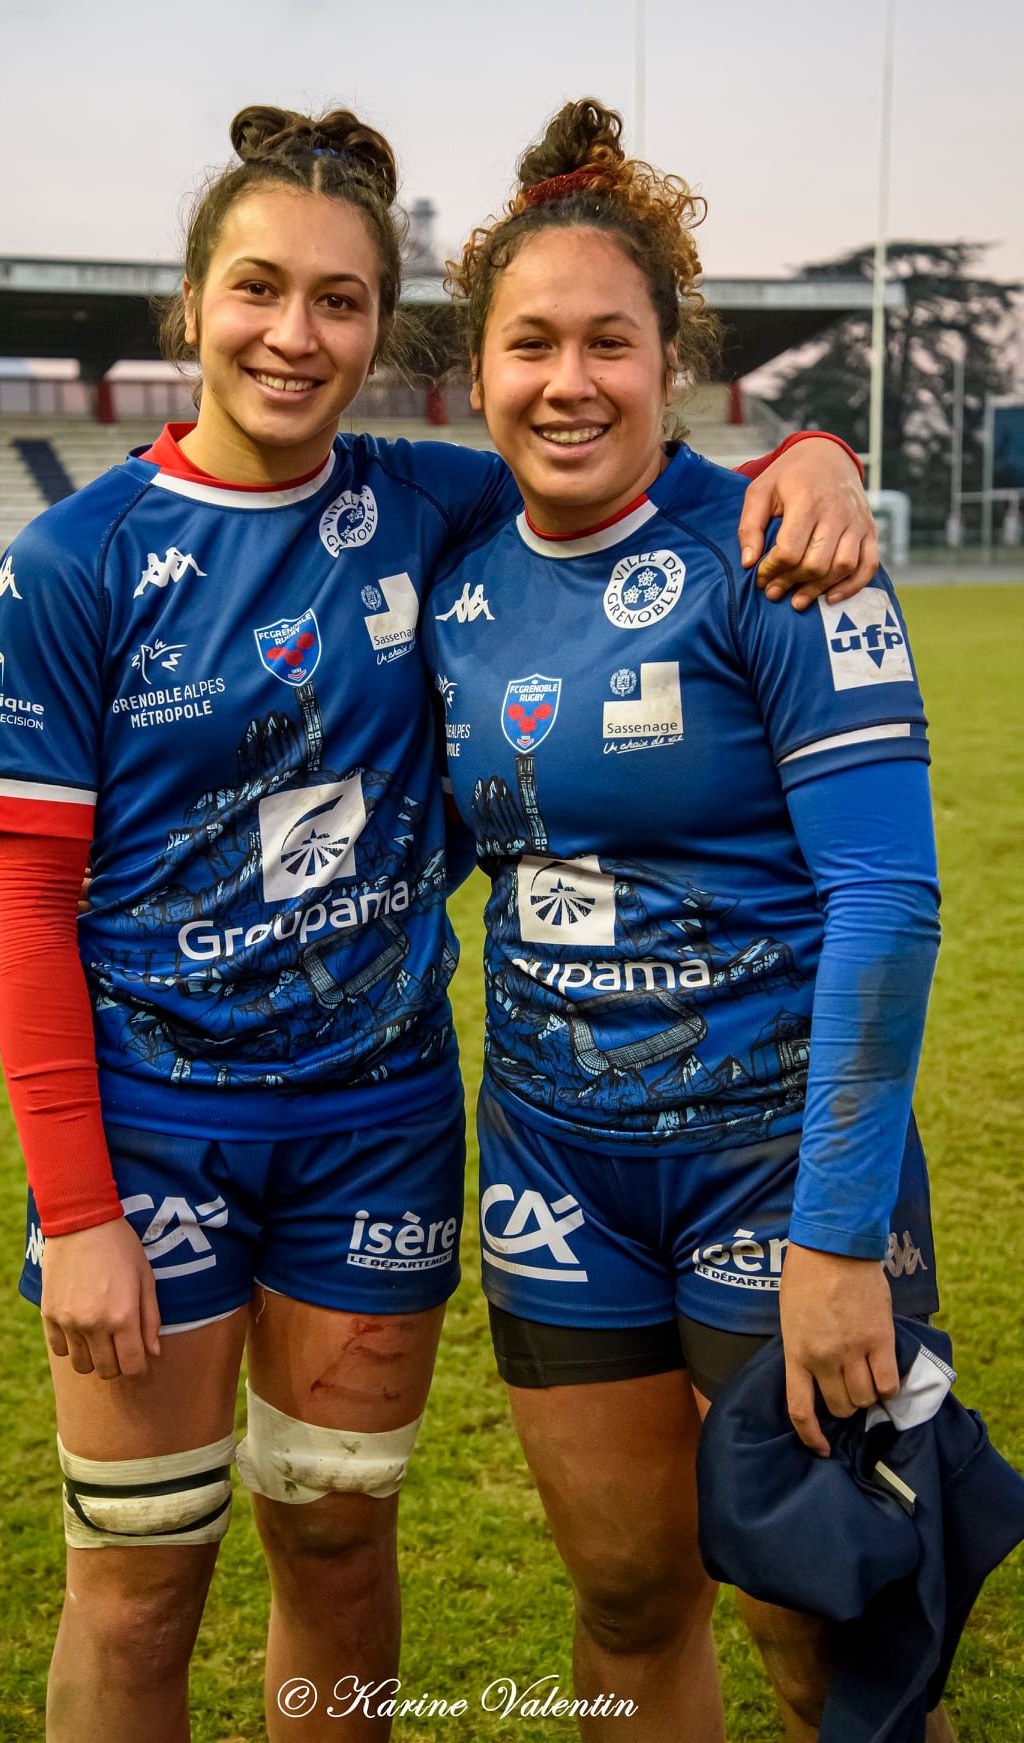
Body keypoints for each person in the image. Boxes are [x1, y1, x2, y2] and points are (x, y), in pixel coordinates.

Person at [0, 103, 883, 1743]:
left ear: (388, 336)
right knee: (136, 1575)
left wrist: (810, 454)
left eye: (340, 301)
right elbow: (24, 908)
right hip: (148, 1135)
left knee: (333, 1536)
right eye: (258, 289)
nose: (293, 335)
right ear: (190, 306)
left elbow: (621, 465)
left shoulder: (421, 503)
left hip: (377, 1129)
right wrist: (75, 1204)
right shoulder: (74, 558)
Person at [427, 99, 944, 1743]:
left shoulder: (779, 556)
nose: (566, 380)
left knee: (826, 1622)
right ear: (478, 368)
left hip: (774, 1169)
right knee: (628, 1599)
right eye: (528, 344)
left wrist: (837, 1237)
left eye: (607, 341)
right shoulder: (452, 565)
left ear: (672, 361)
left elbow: (887, 895)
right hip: (554, 1172)